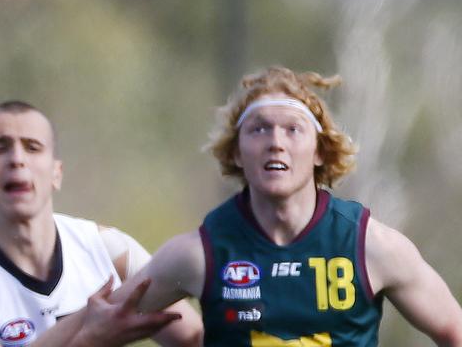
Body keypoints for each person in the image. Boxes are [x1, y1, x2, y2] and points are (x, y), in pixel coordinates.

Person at [115, 66, 462, 346]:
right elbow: (95, 328)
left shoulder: (372, 247)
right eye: (259, 129)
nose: (275, 143)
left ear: (319, 151)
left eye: (293, 130)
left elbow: (454, 332)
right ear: (236, 151)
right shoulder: (198, 253)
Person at [0, 100, 201, 347]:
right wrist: (88, 339)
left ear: (56, 172)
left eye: (33, 147)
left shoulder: (108, 250)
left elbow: (194, 338)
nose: (17, 159)